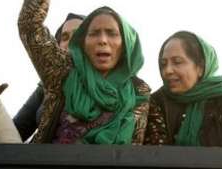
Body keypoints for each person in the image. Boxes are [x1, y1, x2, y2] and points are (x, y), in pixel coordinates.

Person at [18, 0, 150, 144]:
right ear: (82, 44)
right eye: (94, 33)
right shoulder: (63, 71)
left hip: (110, 165)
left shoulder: (139, 92)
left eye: (112, 33)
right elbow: (30, 26)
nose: (103, 40)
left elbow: (136, 148)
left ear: (126, 44)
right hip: (50, 164)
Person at [13, 13, 85, 141]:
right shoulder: (48, 84)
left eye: (79, 35)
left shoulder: (115, 84)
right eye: (65, 37)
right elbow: (16, 132)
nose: (71, 42)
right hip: (41, 158)